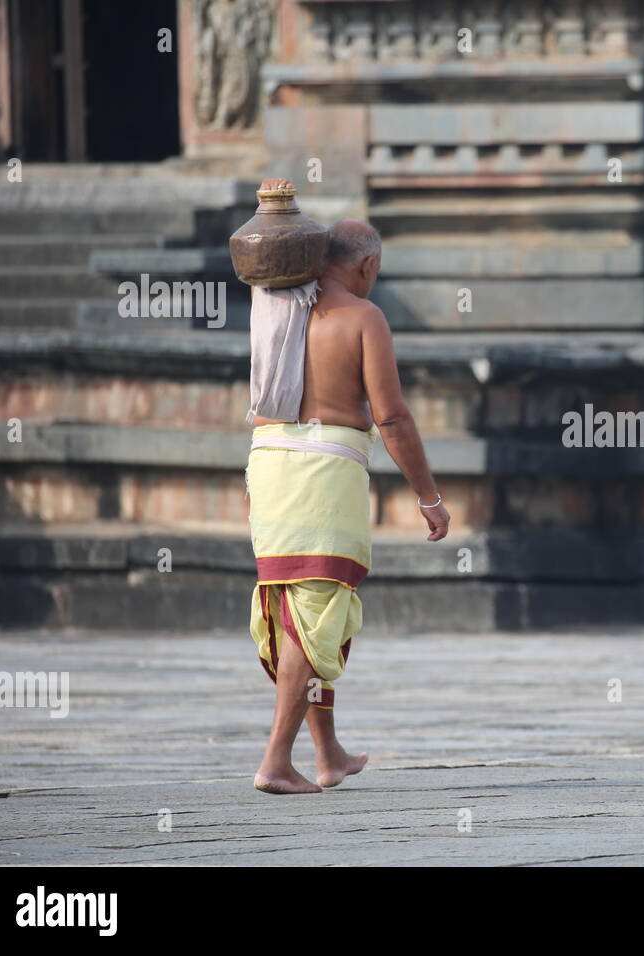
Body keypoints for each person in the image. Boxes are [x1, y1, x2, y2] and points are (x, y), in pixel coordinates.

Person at [245, 211, 451, 794]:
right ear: (367, 265)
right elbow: (389, 415)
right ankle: (276, 762)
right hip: (323, 473)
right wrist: (428, 496)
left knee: (301, 611)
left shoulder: (274, 312)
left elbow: (259, 401)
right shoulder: (363, 317)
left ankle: (326, 752)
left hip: (267, 462)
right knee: (314, 615)